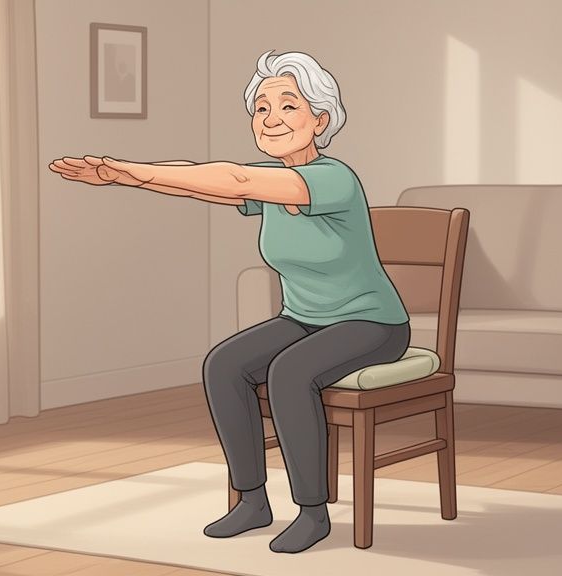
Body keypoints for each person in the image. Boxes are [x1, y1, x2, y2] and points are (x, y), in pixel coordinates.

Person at [49, 50, 410, 554]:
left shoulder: (332, 178)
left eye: (289, 105)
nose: (272, 118)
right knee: (224, 365)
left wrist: (126, 166)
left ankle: (312, 512)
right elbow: (202, 180)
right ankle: (252, 501)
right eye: (261, 108)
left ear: (320, 119)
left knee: (288, 372)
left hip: (371, 323)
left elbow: (234, 178)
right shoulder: (270, 183)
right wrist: (123, 175)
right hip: (305, 318)